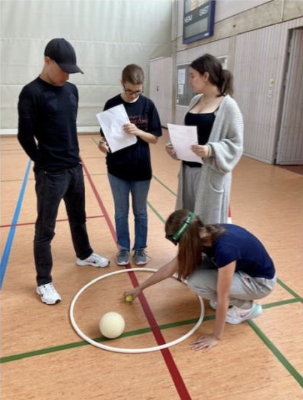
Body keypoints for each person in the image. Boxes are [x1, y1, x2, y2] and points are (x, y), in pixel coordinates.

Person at [17, 38, 110, 305]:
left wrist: (74, 159)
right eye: (64, 69)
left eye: (71, 70)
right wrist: (42, 161)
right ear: (48, 61)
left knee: (78, 218)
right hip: (51, 174)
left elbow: (67, 127)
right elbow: (25, 136)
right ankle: (43, 281)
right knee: (45, 230)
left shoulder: (71, 90)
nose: (67, 75)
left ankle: (84, 254)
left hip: (74, 168)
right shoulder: (31, 93)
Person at [124, 209, 276, 351]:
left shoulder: (225, 249)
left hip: (260, 283)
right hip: (242, 271)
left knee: (196, 282)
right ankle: (239, 300)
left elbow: (223, 297)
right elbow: (169, 269)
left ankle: (245, 308)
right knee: (193, 269)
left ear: (187, 238)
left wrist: (216, 337)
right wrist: (139, 288)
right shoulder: (204, 233)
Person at [166, 54, 243, 224]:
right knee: (188, 219)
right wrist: (176, 148)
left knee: (208, 225)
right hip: (188, 171)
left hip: (209, 174)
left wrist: (211, 149)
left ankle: (206, 252)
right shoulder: (195, 100)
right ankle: (190, 251)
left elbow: (236, 145)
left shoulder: (228, 106)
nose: (190, 81)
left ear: (206, 76)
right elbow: (190, 134)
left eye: (193, 76)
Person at [98, 64, 162, 266]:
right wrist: (102, 145)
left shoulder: (148, 105)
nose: (133, 95)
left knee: (140, 212)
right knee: (120, 212)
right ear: (122, 83)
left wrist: (138, 131)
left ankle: (140, 249)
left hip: (141, 169)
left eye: (138, 91)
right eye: (129, 90)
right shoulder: (111, 104)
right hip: (117, 170)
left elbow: (154, 138)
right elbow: (105, 137)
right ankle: (124, 249)